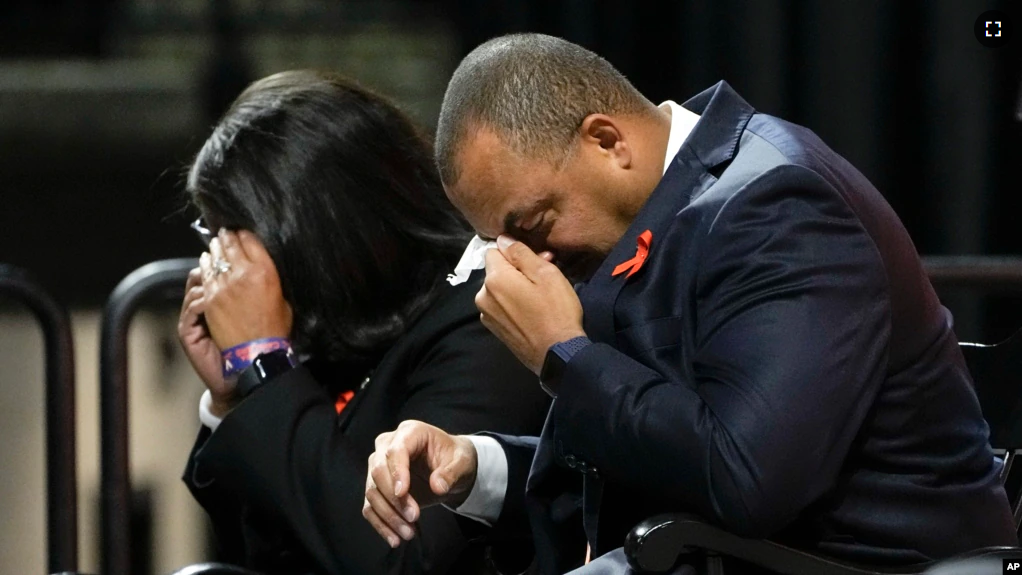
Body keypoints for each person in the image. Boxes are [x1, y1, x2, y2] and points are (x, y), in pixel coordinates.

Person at [362, 34, 1018, 574]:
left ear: (606, 141)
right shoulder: (655, 216)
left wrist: (564, 354)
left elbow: (745, 479)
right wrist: (476, 464)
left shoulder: (779, 204)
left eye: (534, 222)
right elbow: (654, 456)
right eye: (500, 242)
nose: (530, 259)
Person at [177, 69, 551, 575]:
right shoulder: (338, 334)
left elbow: (402, 560)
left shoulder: (483, 318)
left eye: (234, 239)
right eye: (212, 236)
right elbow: (267, 553)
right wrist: (234, 394)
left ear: (318, 229)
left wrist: (263, 364)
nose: (225, 276)